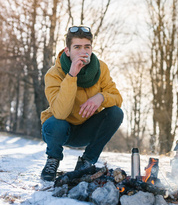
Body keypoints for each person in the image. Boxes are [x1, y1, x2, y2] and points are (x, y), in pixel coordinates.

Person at [40, 26, 123, 181]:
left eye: (87, 47)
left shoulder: (101, 68)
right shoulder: (54, 74)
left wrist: (101, 97)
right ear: (67, 51)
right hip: (60, 131)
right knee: (55, 122)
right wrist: (71, 75)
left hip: (86, 129)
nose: (82, 52)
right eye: (77, 47)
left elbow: (117, 98)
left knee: (116, 113)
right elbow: (60, 113)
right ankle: (53, 159)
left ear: (91, 49)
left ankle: (87, 162)